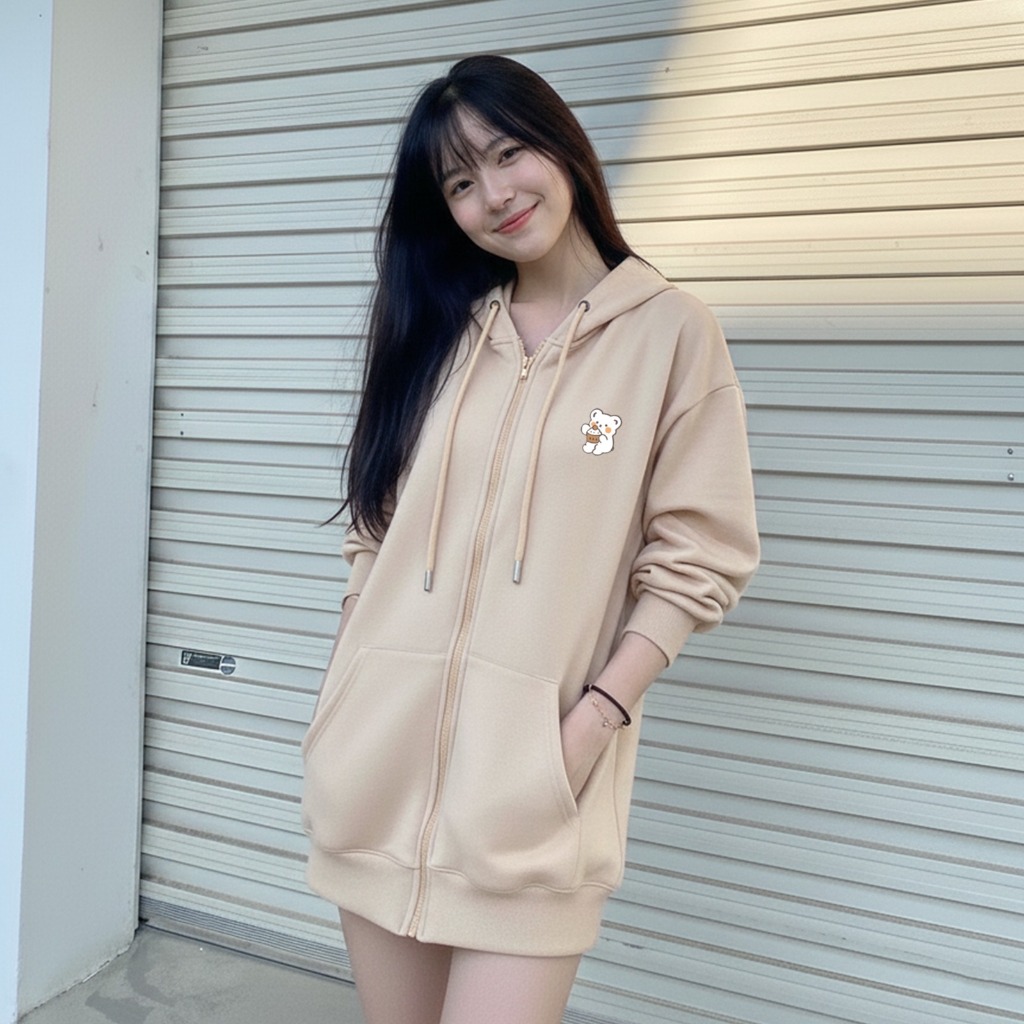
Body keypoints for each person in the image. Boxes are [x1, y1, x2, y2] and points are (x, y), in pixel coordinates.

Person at [302, 55, 760, 1024]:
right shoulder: (441, 332)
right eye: (459, 183)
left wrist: (592, 723)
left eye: (508, 153)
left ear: (561, 144)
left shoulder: (671, 335)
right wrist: (343, 692)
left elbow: (700, 558)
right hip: (375, 777)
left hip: (532, 800)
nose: (494, 195)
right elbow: (376, 529)